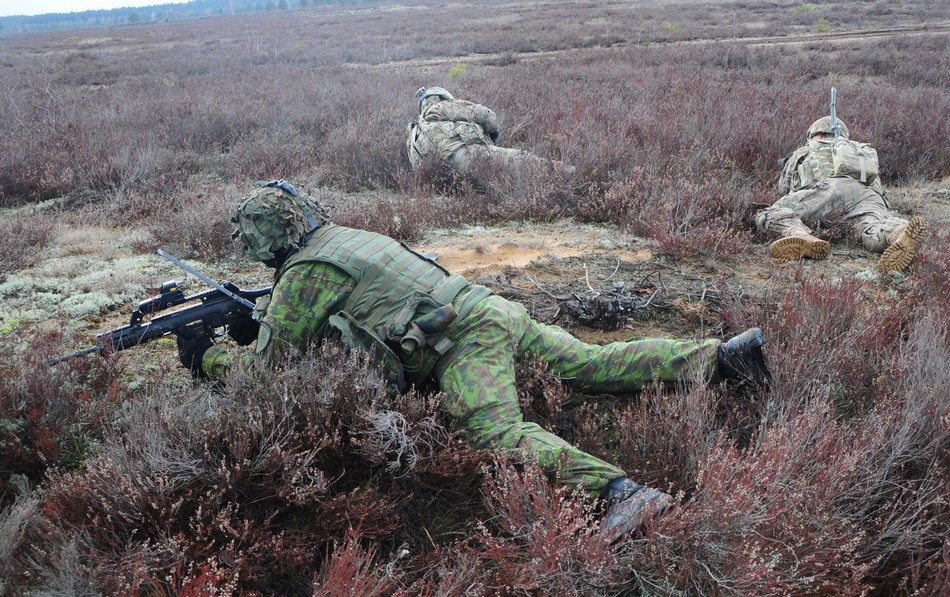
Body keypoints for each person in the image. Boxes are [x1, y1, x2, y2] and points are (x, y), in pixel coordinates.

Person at [177, 180, 772, 542]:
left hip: (463, 341)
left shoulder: (304, 273)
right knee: (591, 364)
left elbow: (267, 371)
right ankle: (723, 360)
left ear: (265, 238)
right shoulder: (345, 238)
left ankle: (621, 493)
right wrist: (259, 320)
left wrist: (209, 359)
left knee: (490, 431)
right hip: (487, 308)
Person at [756, 116, 927, 273]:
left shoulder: (810, 148)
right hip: (869, 195)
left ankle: (798, 234)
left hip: (832, 190)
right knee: (870, 225)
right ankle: (896, 232)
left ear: (819, 134)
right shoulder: (860, 153)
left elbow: (783, 188)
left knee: (770, 213)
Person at [406, 86, 574, 176]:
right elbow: (486, 116)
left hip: (446, 180)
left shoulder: (413, 137)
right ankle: (572, 174)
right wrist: (494, 138)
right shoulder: (440, 107)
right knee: (525, 161)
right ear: (441, 98)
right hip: (469, 157)